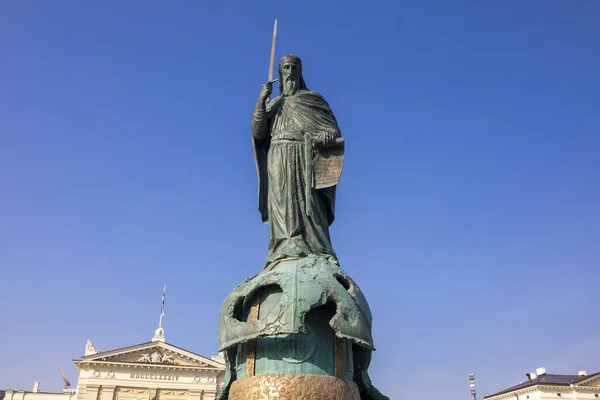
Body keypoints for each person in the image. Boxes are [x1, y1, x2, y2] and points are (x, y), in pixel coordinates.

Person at [251, 54, 342, 267]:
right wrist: (261, 100)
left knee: (309, 203)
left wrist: (329, 135)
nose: (290, 72)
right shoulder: (273, 105)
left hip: (304, 156)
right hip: (277, 156)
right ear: (280, 74)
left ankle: (318, 247)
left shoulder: (312, 100)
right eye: (285, 68)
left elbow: (332, 129)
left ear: (299, 72)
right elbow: (258, 130)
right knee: (281, 202)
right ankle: (283, 247)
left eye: (293, 68)